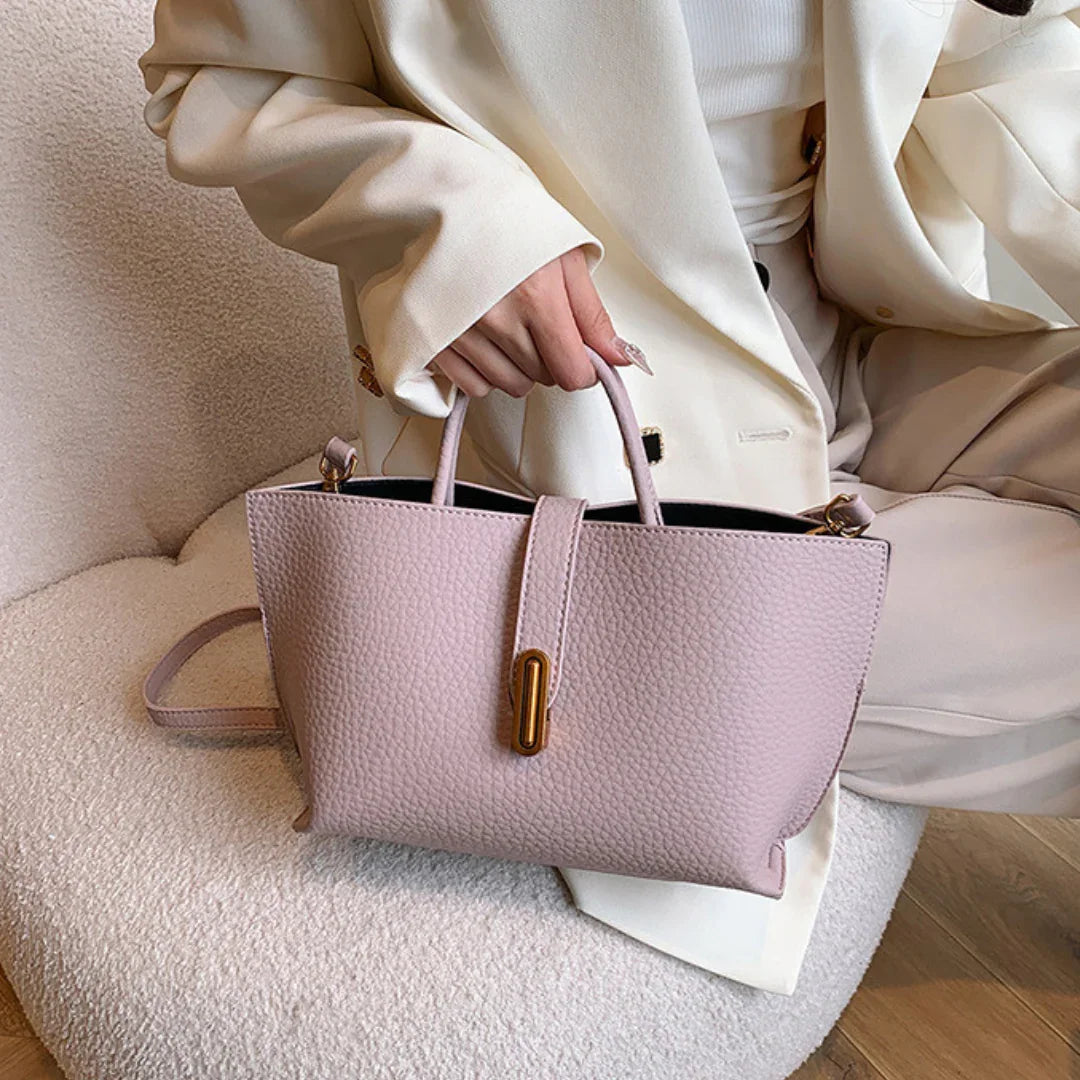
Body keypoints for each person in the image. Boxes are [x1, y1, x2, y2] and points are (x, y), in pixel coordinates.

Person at [138, 0, 1079, 995]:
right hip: (594, 428)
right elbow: (220, 75)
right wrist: (443, 217)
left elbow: (1011, 55)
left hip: (858, 339)